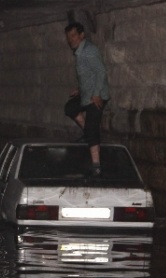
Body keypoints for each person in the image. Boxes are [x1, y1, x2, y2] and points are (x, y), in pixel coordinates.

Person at [63, 22, 110, 176]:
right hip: (86, 95)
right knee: (70, 108)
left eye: (74, 36)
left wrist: (96, 94)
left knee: (92, 128)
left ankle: (96, 165)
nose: (71, 40)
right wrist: (80, 89)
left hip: (96, 97)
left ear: (82, 35)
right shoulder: (79, 52)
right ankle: (87, 133)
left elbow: (101, 72)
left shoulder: (89, 51)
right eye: (69, 37)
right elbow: (88, 74)